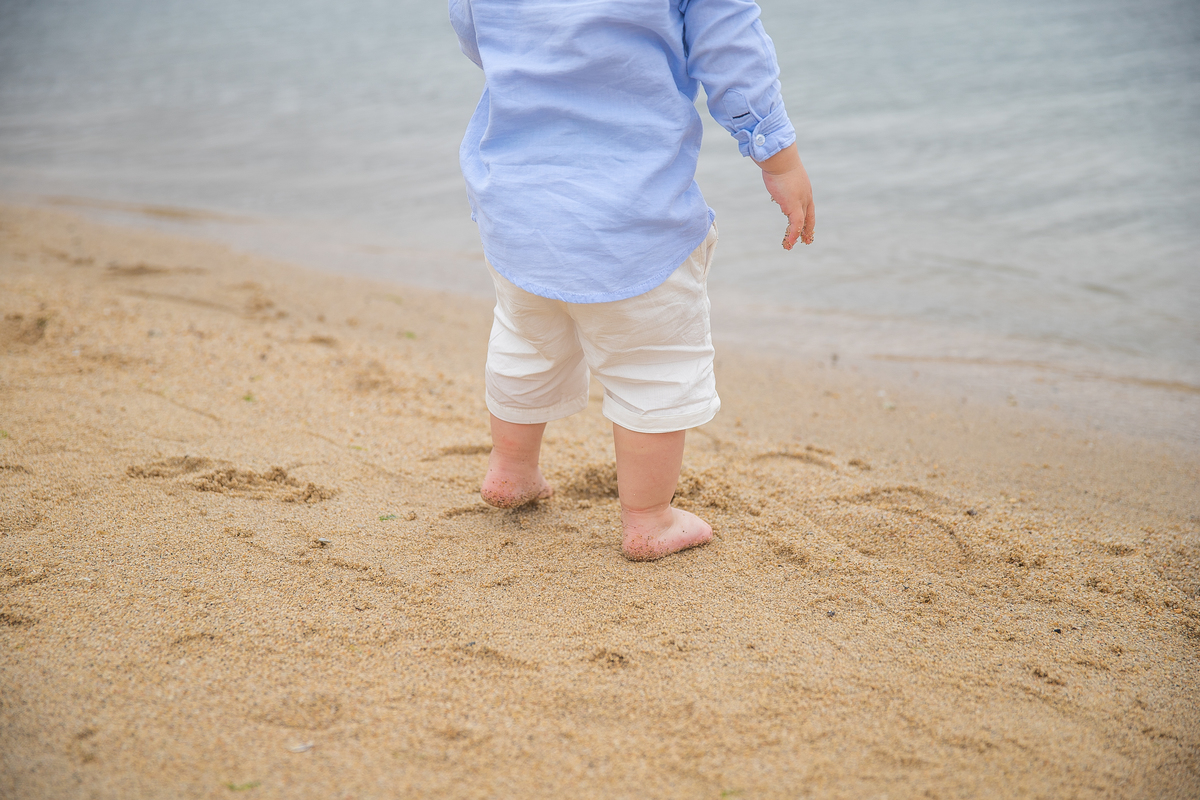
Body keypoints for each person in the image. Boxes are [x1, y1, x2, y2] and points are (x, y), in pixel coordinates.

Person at [449, 0, 814, 560]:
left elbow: (475, 31)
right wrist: (776, 156)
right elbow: (732, 49)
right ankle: (648, 518)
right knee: (653, 367)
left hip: (518, 208)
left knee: (526, 341)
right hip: (634, 218)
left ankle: (511, 470)